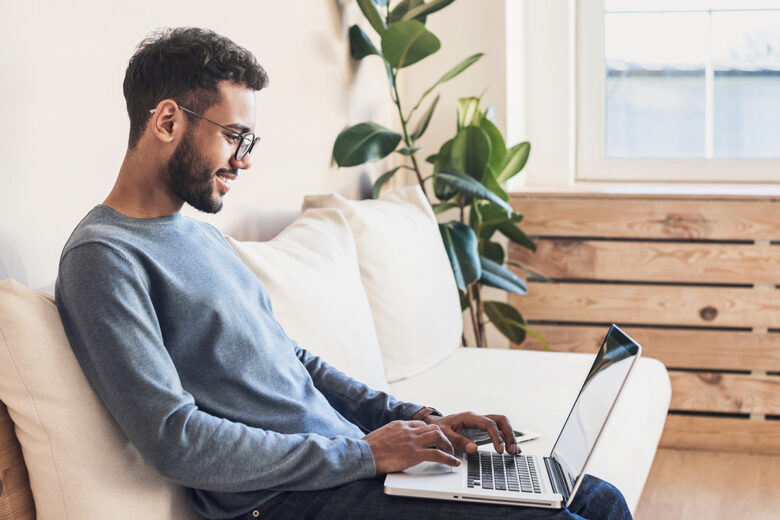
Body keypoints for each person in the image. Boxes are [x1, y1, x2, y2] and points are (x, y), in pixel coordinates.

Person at [54, 27, 632, 520]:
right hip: (283, 501)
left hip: (348, 467)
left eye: (248, 140)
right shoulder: (103, 258)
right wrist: (368, 455)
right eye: (234, 137)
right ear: (166, 121)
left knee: (595, 496)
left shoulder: (200, 234)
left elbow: (292, 360)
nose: (245, 159)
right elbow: (175, 438)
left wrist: (412, 419)